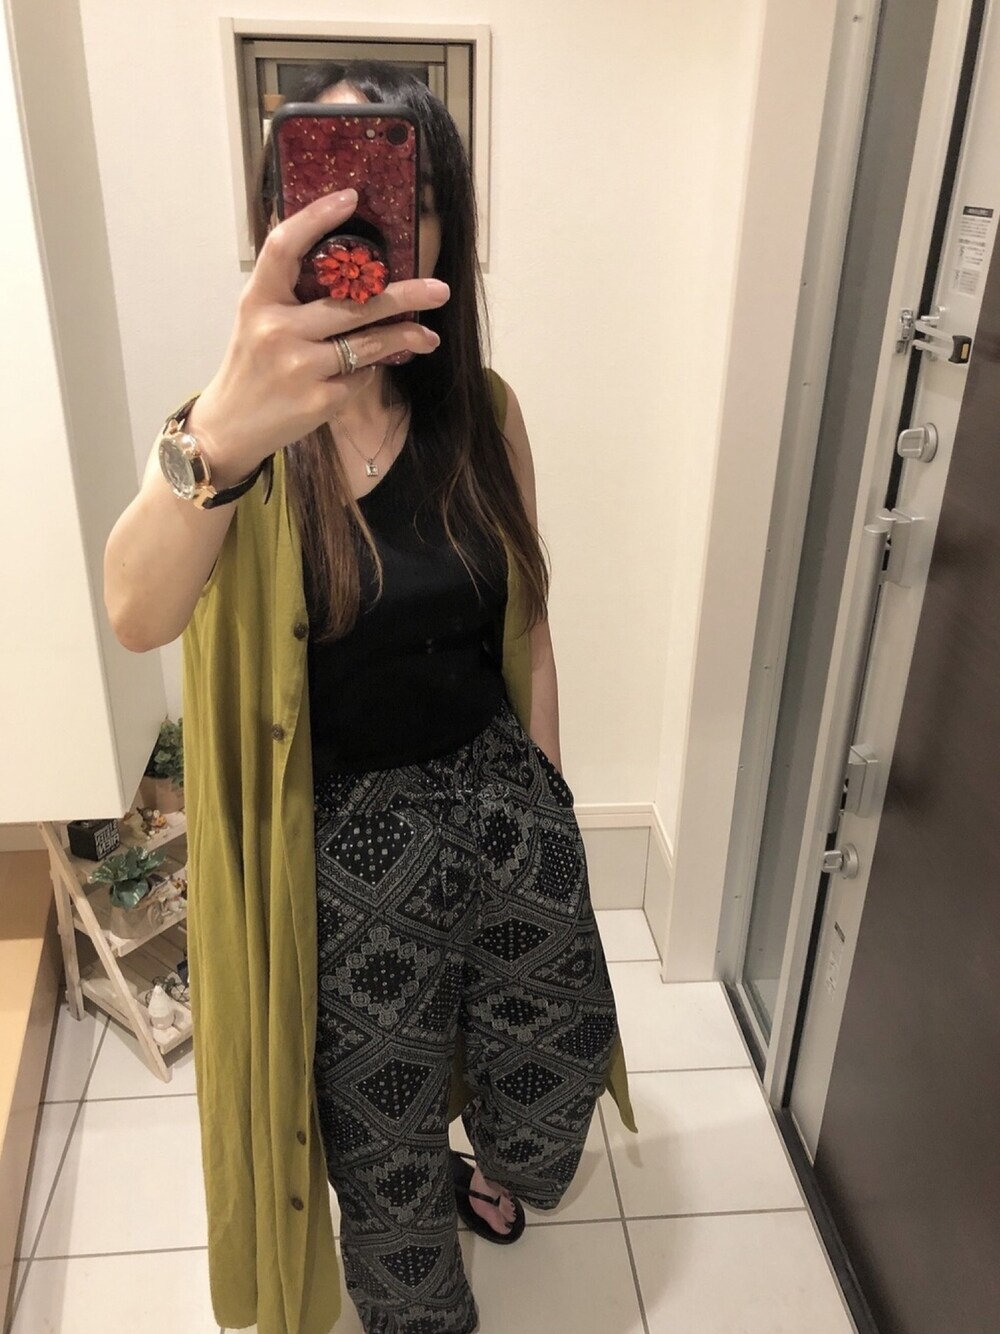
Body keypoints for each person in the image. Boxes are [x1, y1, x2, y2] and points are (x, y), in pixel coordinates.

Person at [105, 60, 635, 1334]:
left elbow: (528, 623)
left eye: (405, 192)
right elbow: (135, 610)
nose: (362, 222)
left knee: (544, 1061)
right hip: (345, 857)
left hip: (505, 811)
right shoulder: (228, 438)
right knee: (381, 1140)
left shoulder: (485, 412)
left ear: (441, 227)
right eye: (319, 188)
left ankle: (492, 1162)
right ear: (274, 222)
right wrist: (218, 437)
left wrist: (552, 800)